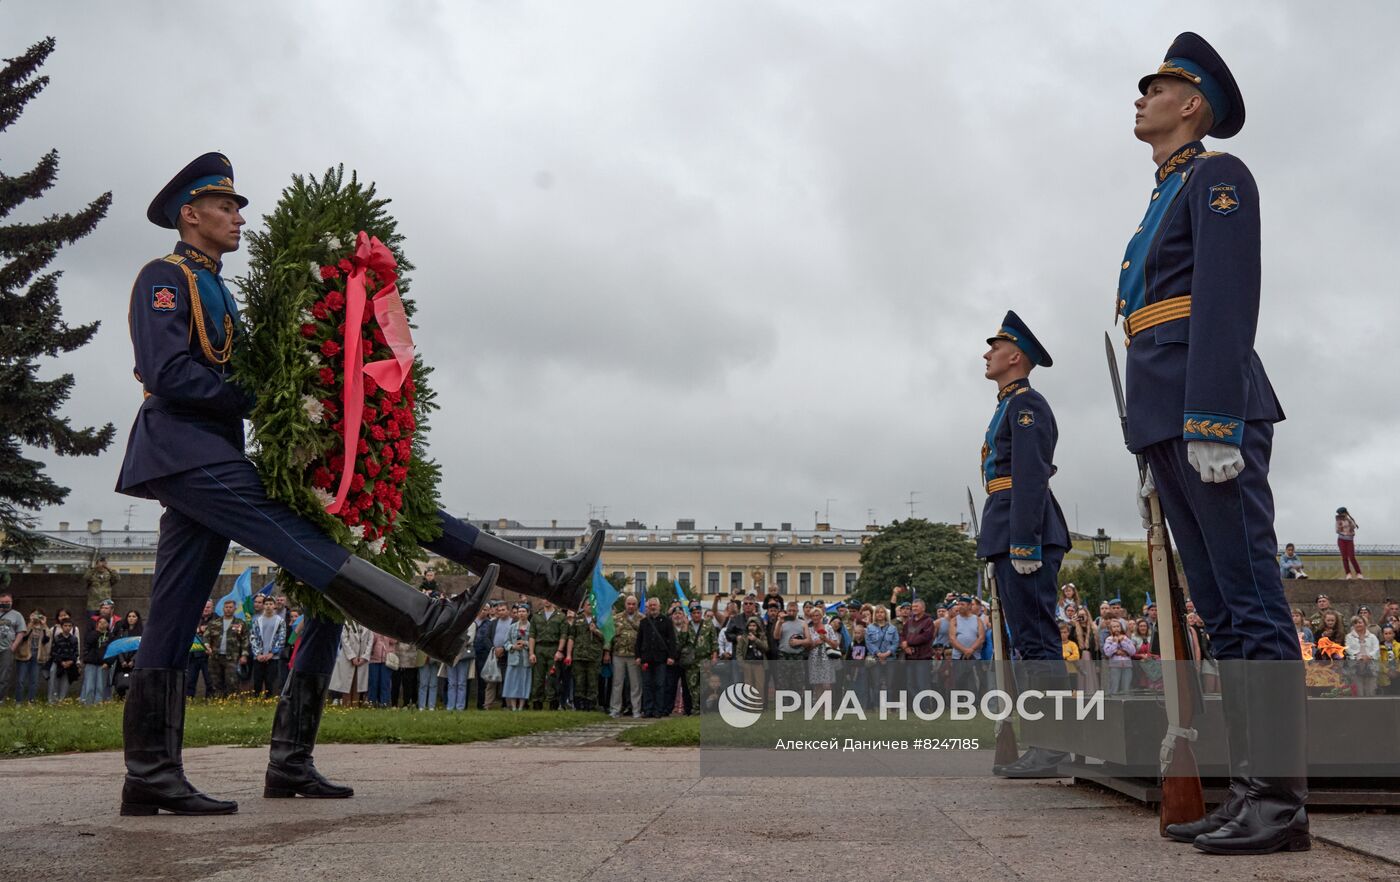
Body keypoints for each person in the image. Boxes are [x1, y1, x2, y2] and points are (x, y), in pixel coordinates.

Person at [115, 153, 608, 817]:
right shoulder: (164, 279)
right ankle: (425, 619)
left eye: (237, 206)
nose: (238, 217)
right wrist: (268, 395)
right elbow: (167, 371)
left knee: (174, 613)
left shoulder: (220, 288)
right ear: (189, 213)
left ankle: (157, 772)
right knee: (299, 540)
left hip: (208, 452)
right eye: (226, 206)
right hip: (183, 451)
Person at [1120, 34, 1306, 852]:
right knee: (1224, 617)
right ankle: (1250, 791)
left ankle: (1281, 805)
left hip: (1208, 414)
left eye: (1154, 86)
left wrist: (1213, 421)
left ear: (1191, 102)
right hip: (1168, 417)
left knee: (1255, 607)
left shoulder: (1217, 177)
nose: (1140, 97)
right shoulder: (1161, 196)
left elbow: (1226, 300)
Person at [978, 311, 1072, 777]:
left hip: (1023, 532)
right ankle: (1044, 742)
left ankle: (1052, 746)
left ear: (1015, 356)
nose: (986, 354)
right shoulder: (1008, 405)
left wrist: (1024, 544)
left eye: (994, 348)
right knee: (1028, 644)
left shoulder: (1026, 405)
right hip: (1008, 527)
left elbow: (1032, 476)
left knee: (1037, 643)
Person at [636, 597, 678, 718]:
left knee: (660, 684)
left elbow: (672, 641)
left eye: (655, 605)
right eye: (651, 605)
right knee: (647, 684)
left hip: (661, 658)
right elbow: (639, 641)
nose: (653, 607)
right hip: (646, 658)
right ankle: (648, 709)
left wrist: (671, 656)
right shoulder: (644, 622)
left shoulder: (666, 621)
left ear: (659, 607)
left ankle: (658, 710)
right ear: (648, 607)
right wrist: (638, 656)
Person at [528, 599, 568, 710]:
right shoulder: (536, 616)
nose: (547, 601)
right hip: (539, 648)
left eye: (550, 599)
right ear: (541, 600)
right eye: (544, 598)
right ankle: (537, 703)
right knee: (538, 678)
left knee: (553, 677)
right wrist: (531, 653)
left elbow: (563, 635)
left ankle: (553, 703)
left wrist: (560, 651)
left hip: (553, 648)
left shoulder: (560, 616)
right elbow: (532, 635)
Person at [608, 595, 644, 719]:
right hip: (619, 654)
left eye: (633, 604)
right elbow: (610, 636)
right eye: (629, 604)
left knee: (635, 684)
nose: (631, 606)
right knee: (617, 683)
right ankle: (615, 709)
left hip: (635, 655)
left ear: (637, 605)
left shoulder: (642, 618)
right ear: (625, 604)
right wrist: (607, 651)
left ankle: (636, 710)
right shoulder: (616, 618)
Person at [203, 601, 247, 698]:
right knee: (216, 681)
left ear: (235, 609)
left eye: (231, 607)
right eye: (226, 607)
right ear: (223, 609)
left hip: (232, 657)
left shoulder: (240, 623)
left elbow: (245, 640)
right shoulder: (214, 623)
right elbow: (206, 637)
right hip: (215, 657)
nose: (228, 609)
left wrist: (244, 655)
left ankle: (231, 702)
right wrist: (207, 646)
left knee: (231, 681)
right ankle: (218, 701)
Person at [248, 600, 286, 698]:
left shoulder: (280, 621)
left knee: (270, 681)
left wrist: (272, 653)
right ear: (263, 606)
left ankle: (268, 700)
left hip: (273, 657)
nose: (268, 606)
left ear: (274, 606)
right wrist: (258, 654)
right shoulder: (257, 620)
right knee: (257, 680)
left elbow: (281, 637)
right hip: (259, 657)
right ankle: (256, 700)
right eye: (266, 604)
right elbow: (253, 637)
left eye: (270, 604)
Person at [329, 620, 371, 706]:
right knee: (347, 683)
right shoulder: (347, 623)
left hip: (361, 658)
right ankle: (346, 704)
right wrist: (352, 656)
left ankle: (355, 705)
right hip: (348, 658)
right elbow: (344, 640)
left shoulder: (368, 625)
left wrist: (364, 657)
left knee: (358, 683)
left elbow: (370, 642)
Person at [12, 609, 47, 704]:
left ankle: (31, 701)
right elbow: (24, 637)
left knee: (34, 680)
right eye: (34, 614)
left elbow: (46, 639)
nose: (36, 617)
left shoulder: (44, 627)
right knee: (20, 680)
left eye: (39, 615)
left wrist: (44, 624)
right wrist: (30, 624)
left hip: (37, 655)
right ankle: (18, 701)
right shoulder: (26, 625)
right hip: (24, 654)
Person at [502, 604, 532, 711]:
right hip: (513, 659)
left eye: (524, 611)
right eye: (519, 611)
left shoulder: (532, 627)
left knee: (523, 682)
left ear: (528, 613)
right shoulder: (512, 627)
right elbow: (506, 643)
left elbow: (534, 643)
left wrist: (526, 643)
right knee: (512, 683)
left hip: (525, 660)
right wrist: (513, 646)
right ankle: (513, 707)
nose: (521, 613)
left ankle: (521, 706)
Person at [0, 592, 27, 703]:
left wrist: (14, 646)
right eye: (2, 602)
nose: (5, 604)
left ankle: (0, 699)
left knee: (4, 675)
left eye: (7, 602)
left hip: (7, 649)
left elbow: (21, 631)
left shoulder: (17, 615)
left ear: (11, 602)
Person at [1344, 616, 1379, 697]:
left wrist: (1369, 656)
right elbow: (1348, 649)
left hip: (1371, 666)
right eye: (1355, 623)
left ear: (1365, 623)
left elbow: (1376, 649)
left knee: (1371, 691)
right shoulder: (1348, 637)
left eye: (1360, 622)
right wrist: (1359, 656)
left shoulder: (1372, 636)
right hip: (1355, 667)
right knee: (1359, 692)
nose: (1358, 624)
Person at [186, 600, 214, 699]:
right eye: (204, 607)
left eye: (208, 607)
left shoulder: (216, 619)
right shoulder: (194, 619)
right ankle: (189, 699)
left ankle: (210, 701)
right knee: (190, 680)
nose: (205, 609)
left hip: (208, 655)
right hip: (194, 654)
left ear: (212, 608)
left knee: (210, 681)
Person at [81, 615, 112, 704]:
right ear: (97, 624)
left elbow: (111, 650)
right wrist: (97, 632)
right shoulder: (92, 633)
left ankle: (98, 702)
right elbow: (88, 643)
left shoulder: (110, 636)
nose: (102, 624)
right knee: (89, 684)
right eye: (100, 622)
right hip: (91, 662)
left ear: (108, 624)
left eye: (104, 622)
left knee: (100, 685)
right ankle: (88, 702)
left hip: (103, 663)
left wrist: (108, 662)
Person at [48, 617, 80, 702]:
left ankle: (61, 699)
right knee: (53, 677)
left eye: (70, 626)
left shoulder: (74, 639)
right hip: (58, 662)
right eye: (65, 625)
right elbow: (53, 652)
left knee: (66, 681)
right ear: (62, 627)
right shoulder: (57, 638)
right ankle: (52, 699)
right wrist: (61, 662)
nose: (68, 628)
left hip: (69, 663)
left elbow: (76, 652)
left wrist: (71, 661)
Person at [1335, 508, 1361, 579]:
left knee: (1352, 557)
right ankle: (1348, 573)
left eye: (1342, 513)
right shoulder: (1338, 520)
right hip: (1341, 539)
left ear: (1346, 513)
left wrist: (1348, 519)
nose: (1341, 515)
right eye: (1340, 514)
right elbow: (1337, 530)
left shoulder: (1349, 519)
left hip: (1349, 540)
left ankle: (1358, 573)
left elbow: (1354, 526)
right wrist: (1342, 524)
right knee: (1344, 557)